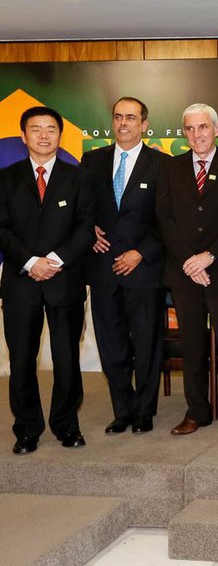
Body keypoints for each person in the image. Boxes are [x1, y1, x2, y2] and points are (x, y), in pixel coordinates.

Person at [0, 106, 94, 454]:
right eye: (35, 129)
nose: (43, 135)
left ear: (60, 135)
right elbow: (2, 228)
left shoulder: (79, 177)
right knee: (22, 358)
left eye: (51, 129)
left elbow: (86, 228)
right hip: (21, 282)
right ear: (23, 135)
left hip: (64, 279)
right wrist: (29, 262)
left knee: (66, 356)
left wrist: (53, 261)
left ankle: (67, 425)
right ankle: (27, 428)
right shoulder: (6, 178)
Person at [156, 103, 218, 437]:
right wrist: (189, 259)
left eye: (203, 127)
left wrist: (210, 255)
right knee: (193, 345)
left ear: (217, 128)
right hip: (184, 272)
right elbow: (164, 218)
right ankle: (197, 411)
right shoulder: (170, 169)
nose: (196, 135)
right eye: (190, 129)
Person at [81, 97, 165, 435]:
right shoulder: (92, 161)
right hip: (102, 269)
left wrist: (140, 252)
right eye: (118, 117)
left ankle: (144, 411)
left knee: (146, 345)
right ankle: (123, 409)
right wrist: (88, 231)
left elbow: (168, 221)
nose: (124, 123)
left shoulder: (162, 164)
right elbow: (78, 208)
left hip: (143, 270)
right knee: (111, 343)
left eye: (131, 117)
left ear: (144, 124)